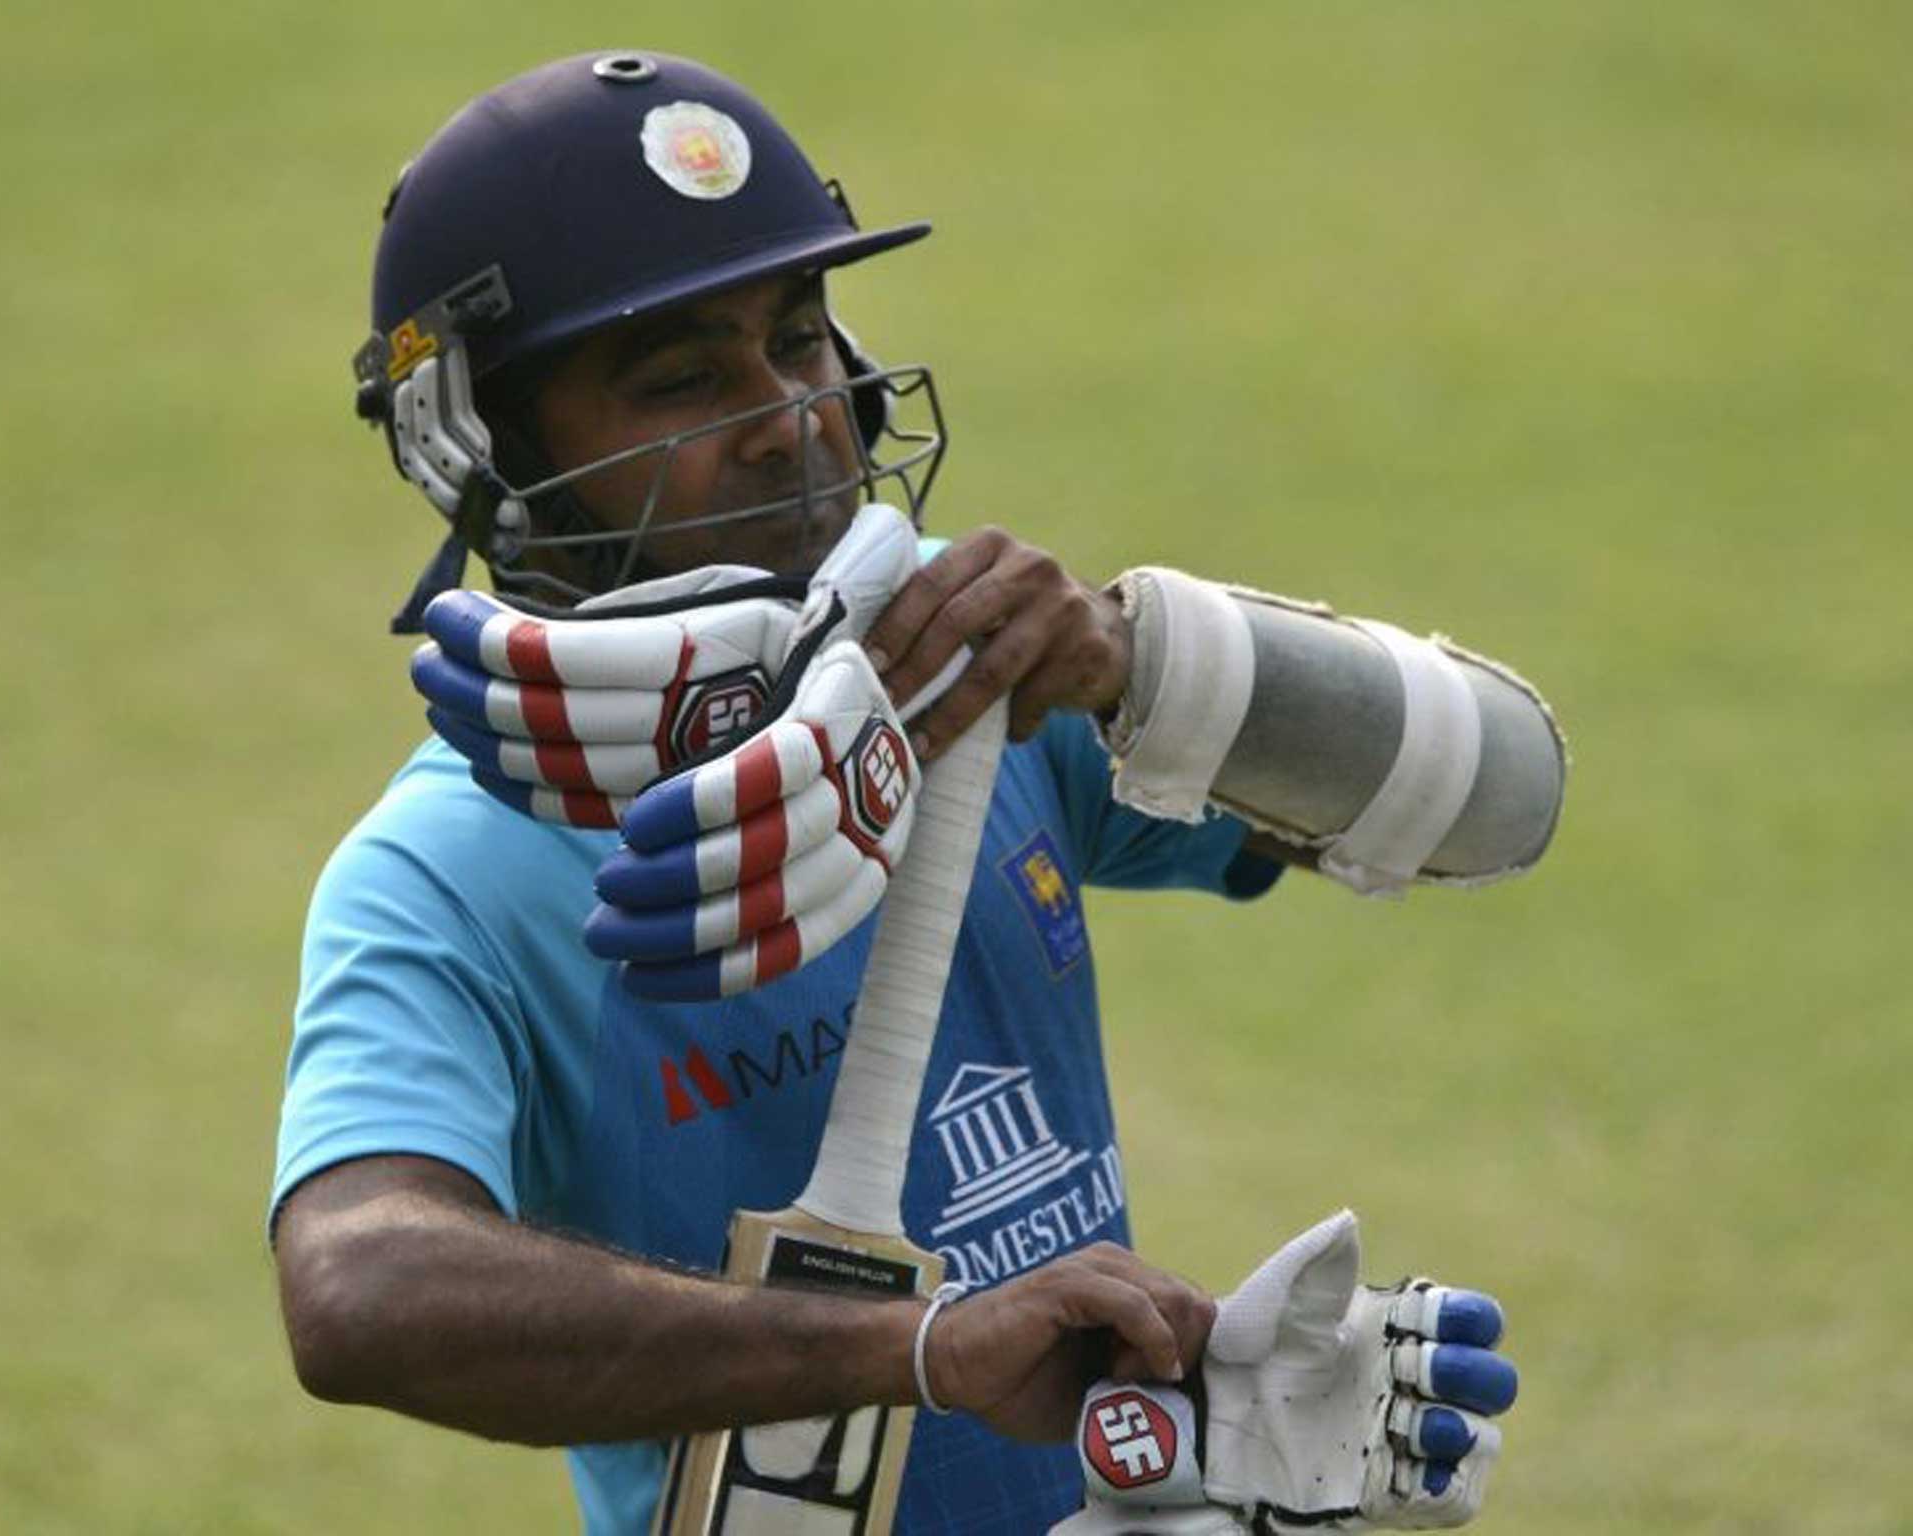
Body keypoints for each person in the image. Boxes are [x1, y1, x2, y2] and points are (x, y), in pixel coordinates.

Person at [271, 51, 1563, 1535]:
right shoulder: (450, 867)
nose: (789, 415)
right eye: (682, 375)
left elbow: (1500, 799)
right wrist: (921, 1352)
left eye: (802, 336)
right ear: (491, 450)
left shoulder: (976, 690)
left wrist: (1138, 663)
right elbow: (358, 1289)